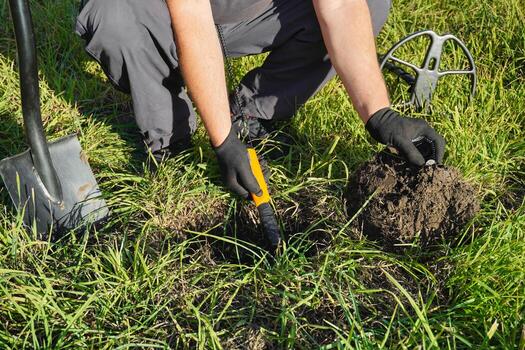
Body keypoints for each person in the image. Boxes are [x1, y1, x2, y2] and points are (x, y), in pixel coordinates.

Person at [76, 0, 445, 198]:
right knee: (113, 15)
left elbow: (340, 6)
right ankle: (170, 135)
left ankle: (249, 115)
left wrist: (380, 113)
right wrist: (222, 142)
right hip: (155, 11)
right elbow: (192, 19)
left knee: (369, 3)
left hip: (248, 12)